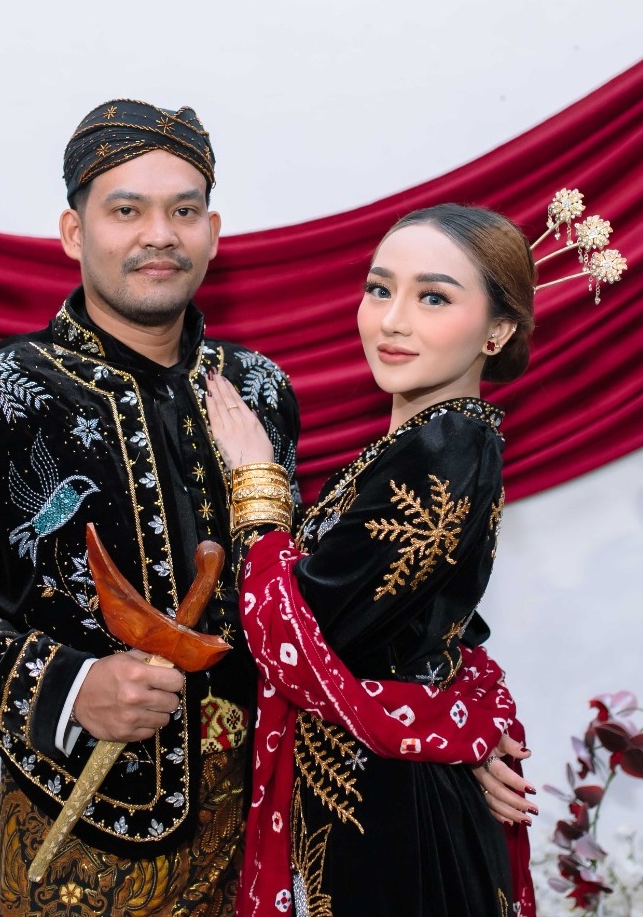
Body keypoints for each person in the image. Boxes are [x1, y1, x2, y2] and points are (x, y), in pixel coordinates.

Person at [0, 99, 301, 917]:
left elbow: (300, 593)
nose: (159, 235)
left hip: (258, 822)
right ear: (74, 232)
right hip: (81, 835)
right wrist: (69, 685)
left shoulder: (259, 389)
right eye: (126, 211)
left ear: (213, 232)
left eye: (183, 211)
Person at [205, 203, 537, 916]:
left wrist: (256, 483)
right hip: (379, 785)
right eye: (380, 289)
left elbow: (307, 632)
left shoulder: (444, 448)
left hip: (388, 817)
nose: (392, 320)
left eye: (433, 297)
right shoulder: (423, 443)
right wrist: (456, 725)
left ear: (498, 329)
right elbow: (427, 625)